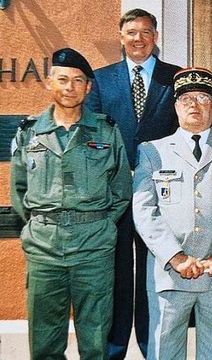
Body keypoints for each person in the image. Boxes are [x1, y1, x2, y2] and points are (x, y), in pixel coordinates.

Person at [10, 48, 132, 358]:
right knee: (45, 341)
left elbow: (121, 190)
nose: (69, 87)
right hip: (44, 250)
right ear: (49, 83)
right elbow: (19, 192)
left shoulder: (106, 130)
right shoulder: (29, 133)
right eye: (62, 79)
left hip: (93, 250)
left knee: (95, 341)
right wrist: (45, 225)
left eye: (78, 80)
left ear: (89, 87)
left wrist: (98, 225)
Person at [133, 67, 212, 359]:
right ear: (176, 106)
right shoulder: (153, 151)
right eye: (186, 98)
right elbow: (143, 209)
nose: (194, 104)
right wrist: (175, 256)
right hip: (171, 271)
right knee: (165, 350)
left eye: (202, 97)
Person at [86, 8, 182, 358]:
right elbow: (94, 135)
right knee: (116, 274)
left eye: (145, 32)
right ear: (122, 37)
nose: (138, 39)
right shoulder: (101, 79)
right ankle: (114, 348)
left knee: (153, 274)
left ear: (155, 37)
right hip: (113, 195)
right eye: (131, 32)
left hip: (162, 195)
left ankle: (150, 346)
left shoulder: (175, 78)